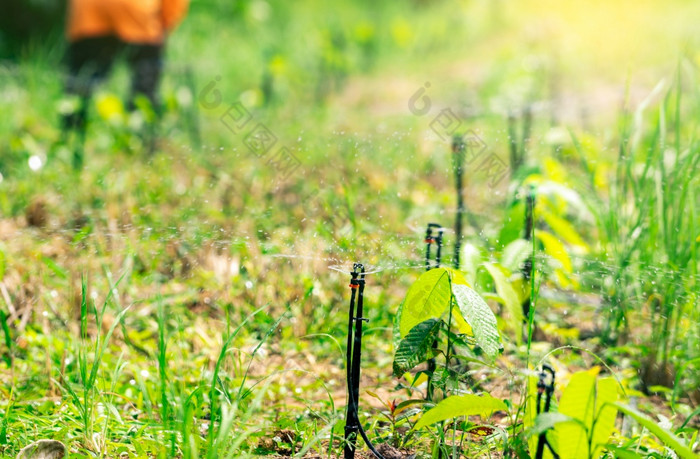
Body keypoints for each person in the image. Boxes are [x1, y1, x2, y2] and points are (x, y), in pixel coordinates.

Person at [62, 0, 189, 158]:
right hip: (137, 8)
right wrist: (162, 24)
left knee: (81, 84)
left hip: (88, 8)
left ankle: (70, 145)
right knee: (145, 82)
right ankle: (140, 147)